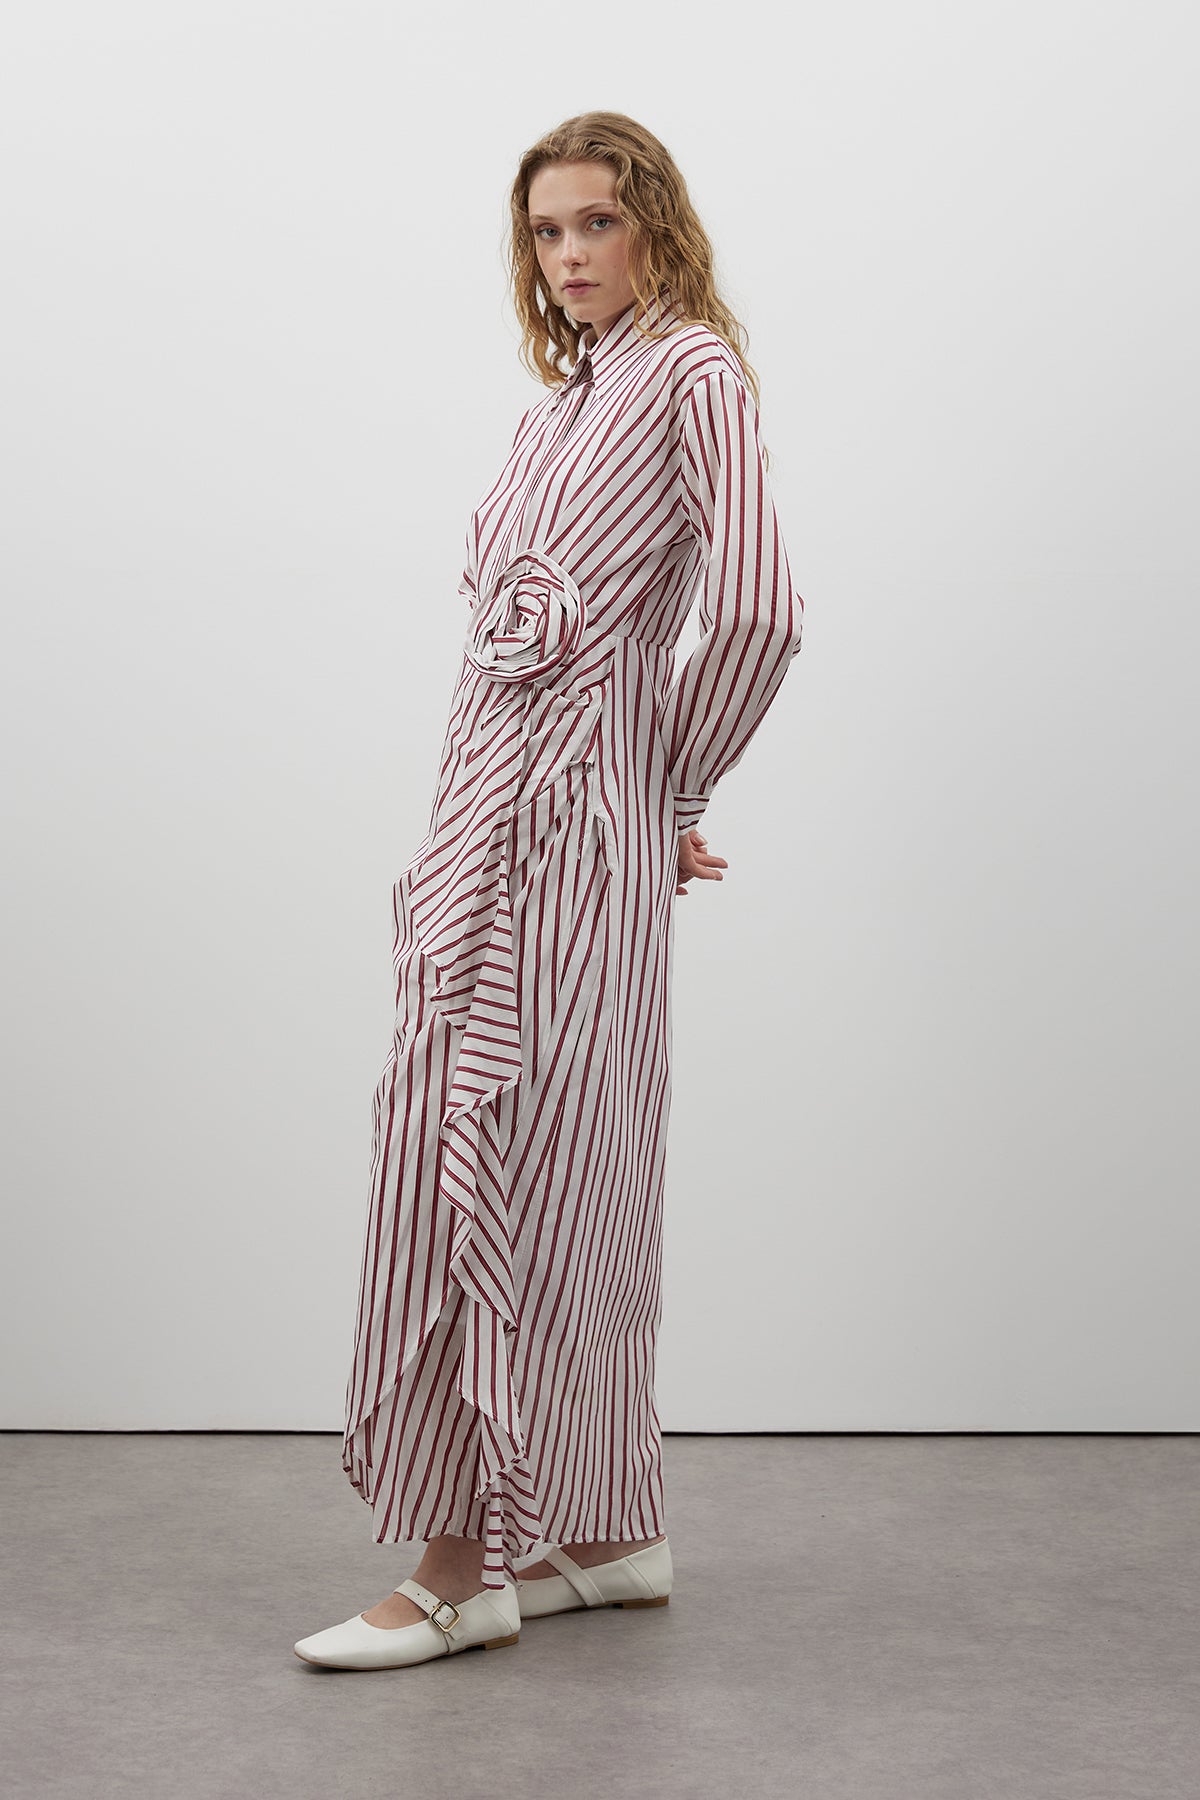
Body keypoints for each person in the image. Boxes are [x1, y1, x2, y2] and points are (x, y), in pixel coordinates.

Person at [294, 110, 805, 1671]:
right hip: (487, 812)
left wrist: (667, 786)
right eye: (546, 231)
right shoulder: (559, 407)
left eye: (598, 222)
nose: (570, 255)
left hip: (571, 830)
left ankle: (465, 1566)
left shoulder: (694, 373)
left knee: (514, 1152)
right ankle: (605, 1527)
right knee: (570, 1157)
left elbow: (761, 613)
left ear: (656, 223)